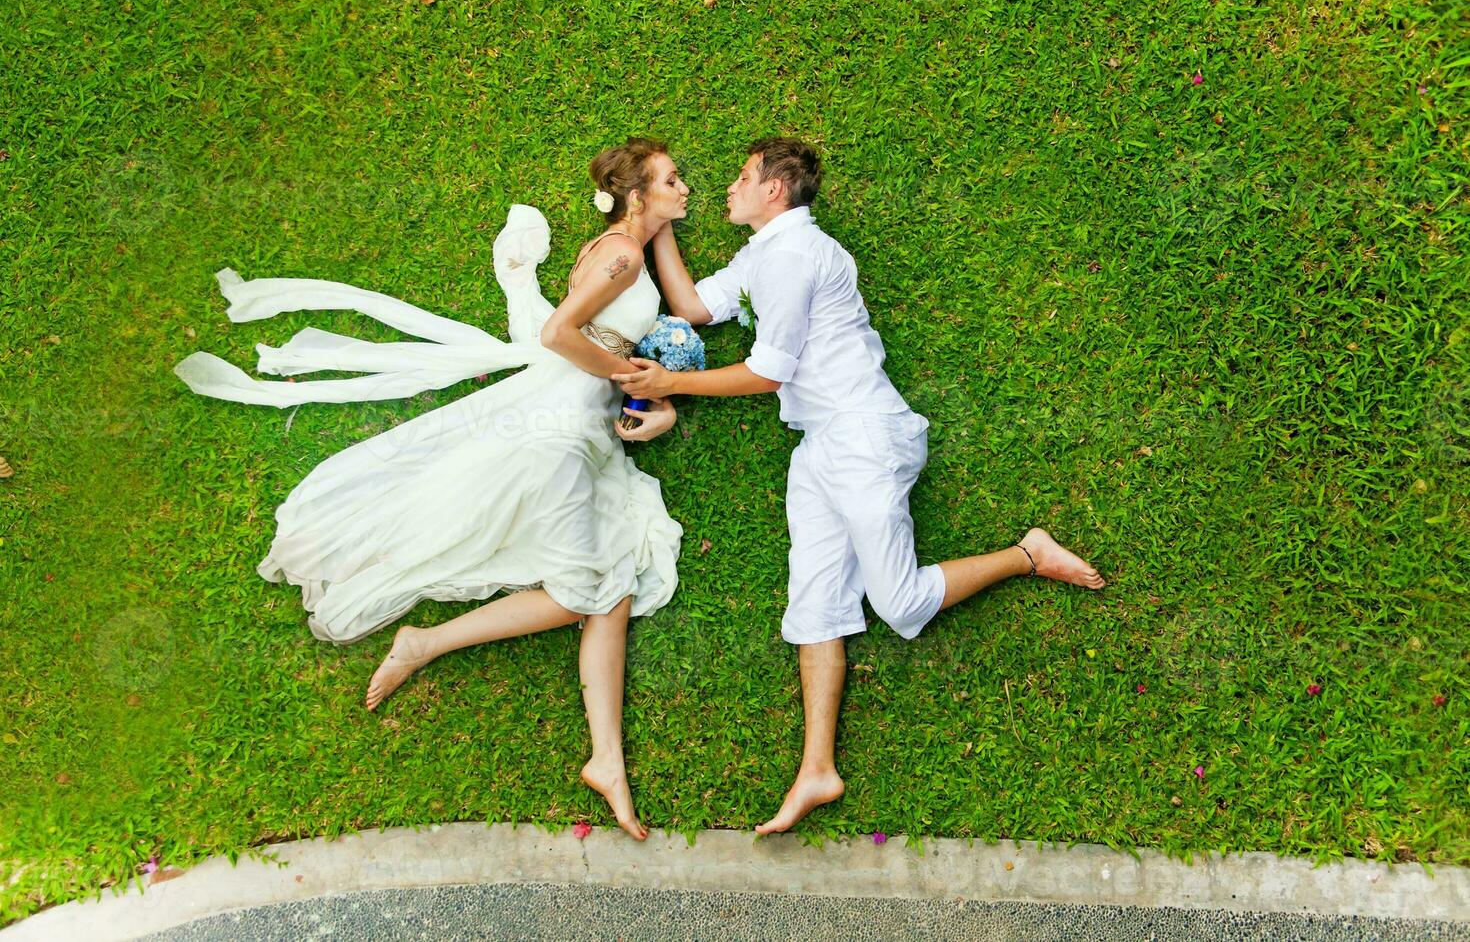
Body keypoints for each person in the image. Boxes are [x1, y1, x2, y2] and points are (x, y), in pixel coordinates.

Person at [174, 138, 693, 839]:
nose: (685, 187)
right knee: (582, 593)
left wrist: (655, 375)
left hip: (586, 430)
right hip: (564, 431)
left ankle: (607, 761)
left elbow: (684, 312)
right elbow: (557, 332)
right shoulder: (620, 256)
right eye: (670, 180)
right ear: (637, 194)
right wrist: (627, 374)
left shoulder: (629, 247)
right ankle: (426, 642)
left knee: (617, 581)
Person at [615, 138, 1107, 834]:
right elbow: (694, 307)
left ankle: (1027, 553)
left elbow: (768, 373)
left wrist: (672, 383)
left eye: (743, 177)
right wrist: (661, 230)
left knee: (900, 604)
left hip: (865, 437)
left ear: (775, 191)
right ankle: (818, 768)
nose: (729, 186)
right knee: (815, 605)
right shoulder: (766, 253)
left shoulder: (795, 256)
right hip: (822, 447)